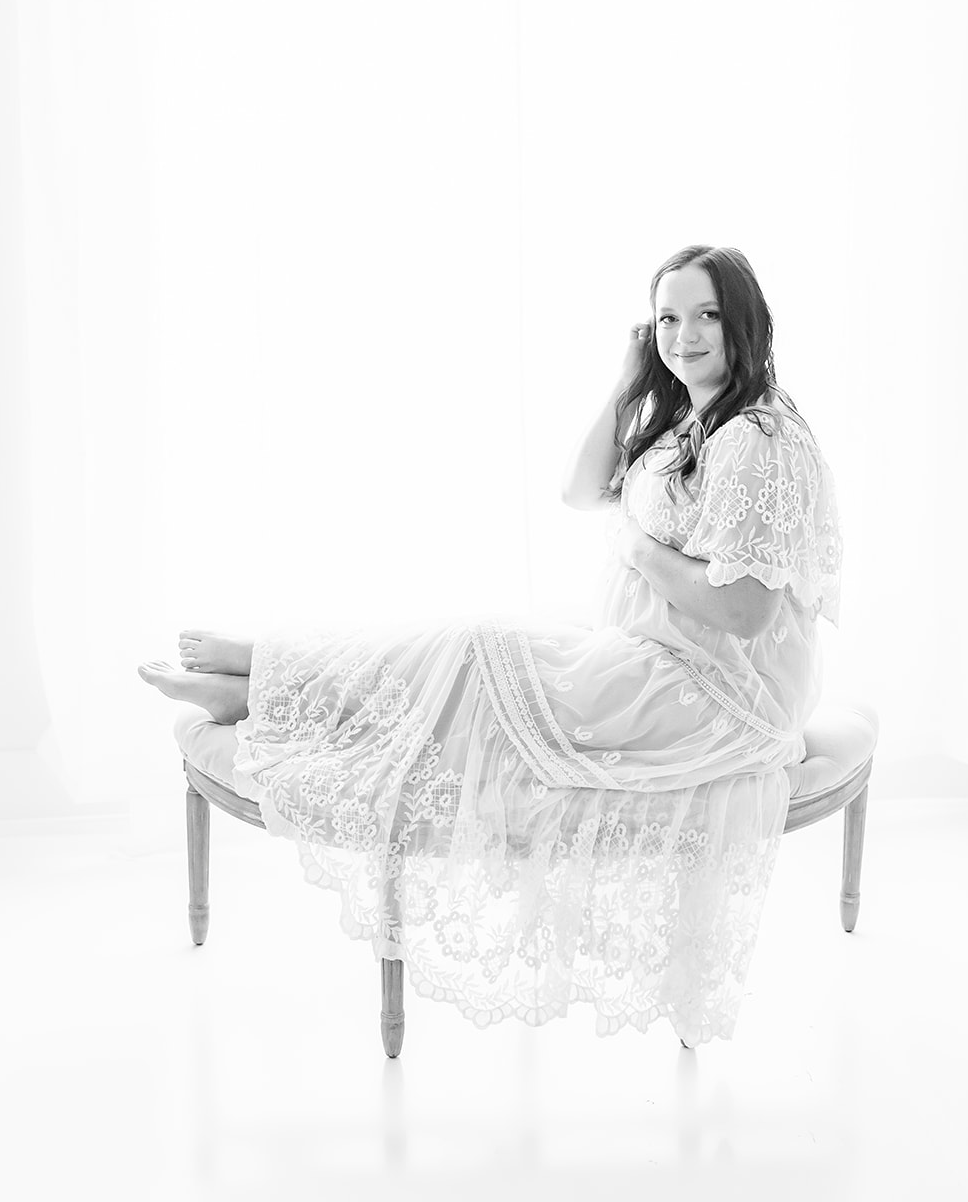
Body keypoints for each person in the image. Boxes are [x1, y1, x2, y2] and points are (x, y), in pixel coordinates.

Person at [138, 243, 842, 1047]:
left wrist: (642, 551)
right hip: (653, 657)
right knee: (469, 649)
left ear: (743, 320)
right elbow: (580, 491)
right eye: (667, 318)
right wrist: (626, 381)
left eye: (705, 315)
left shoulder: (756, 437)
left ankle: (266, 671)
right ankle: (266, 677)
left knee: (477, 649)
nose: (683, 335)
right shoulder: (694, 413)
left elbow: (747, 610)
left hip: (715, 697)